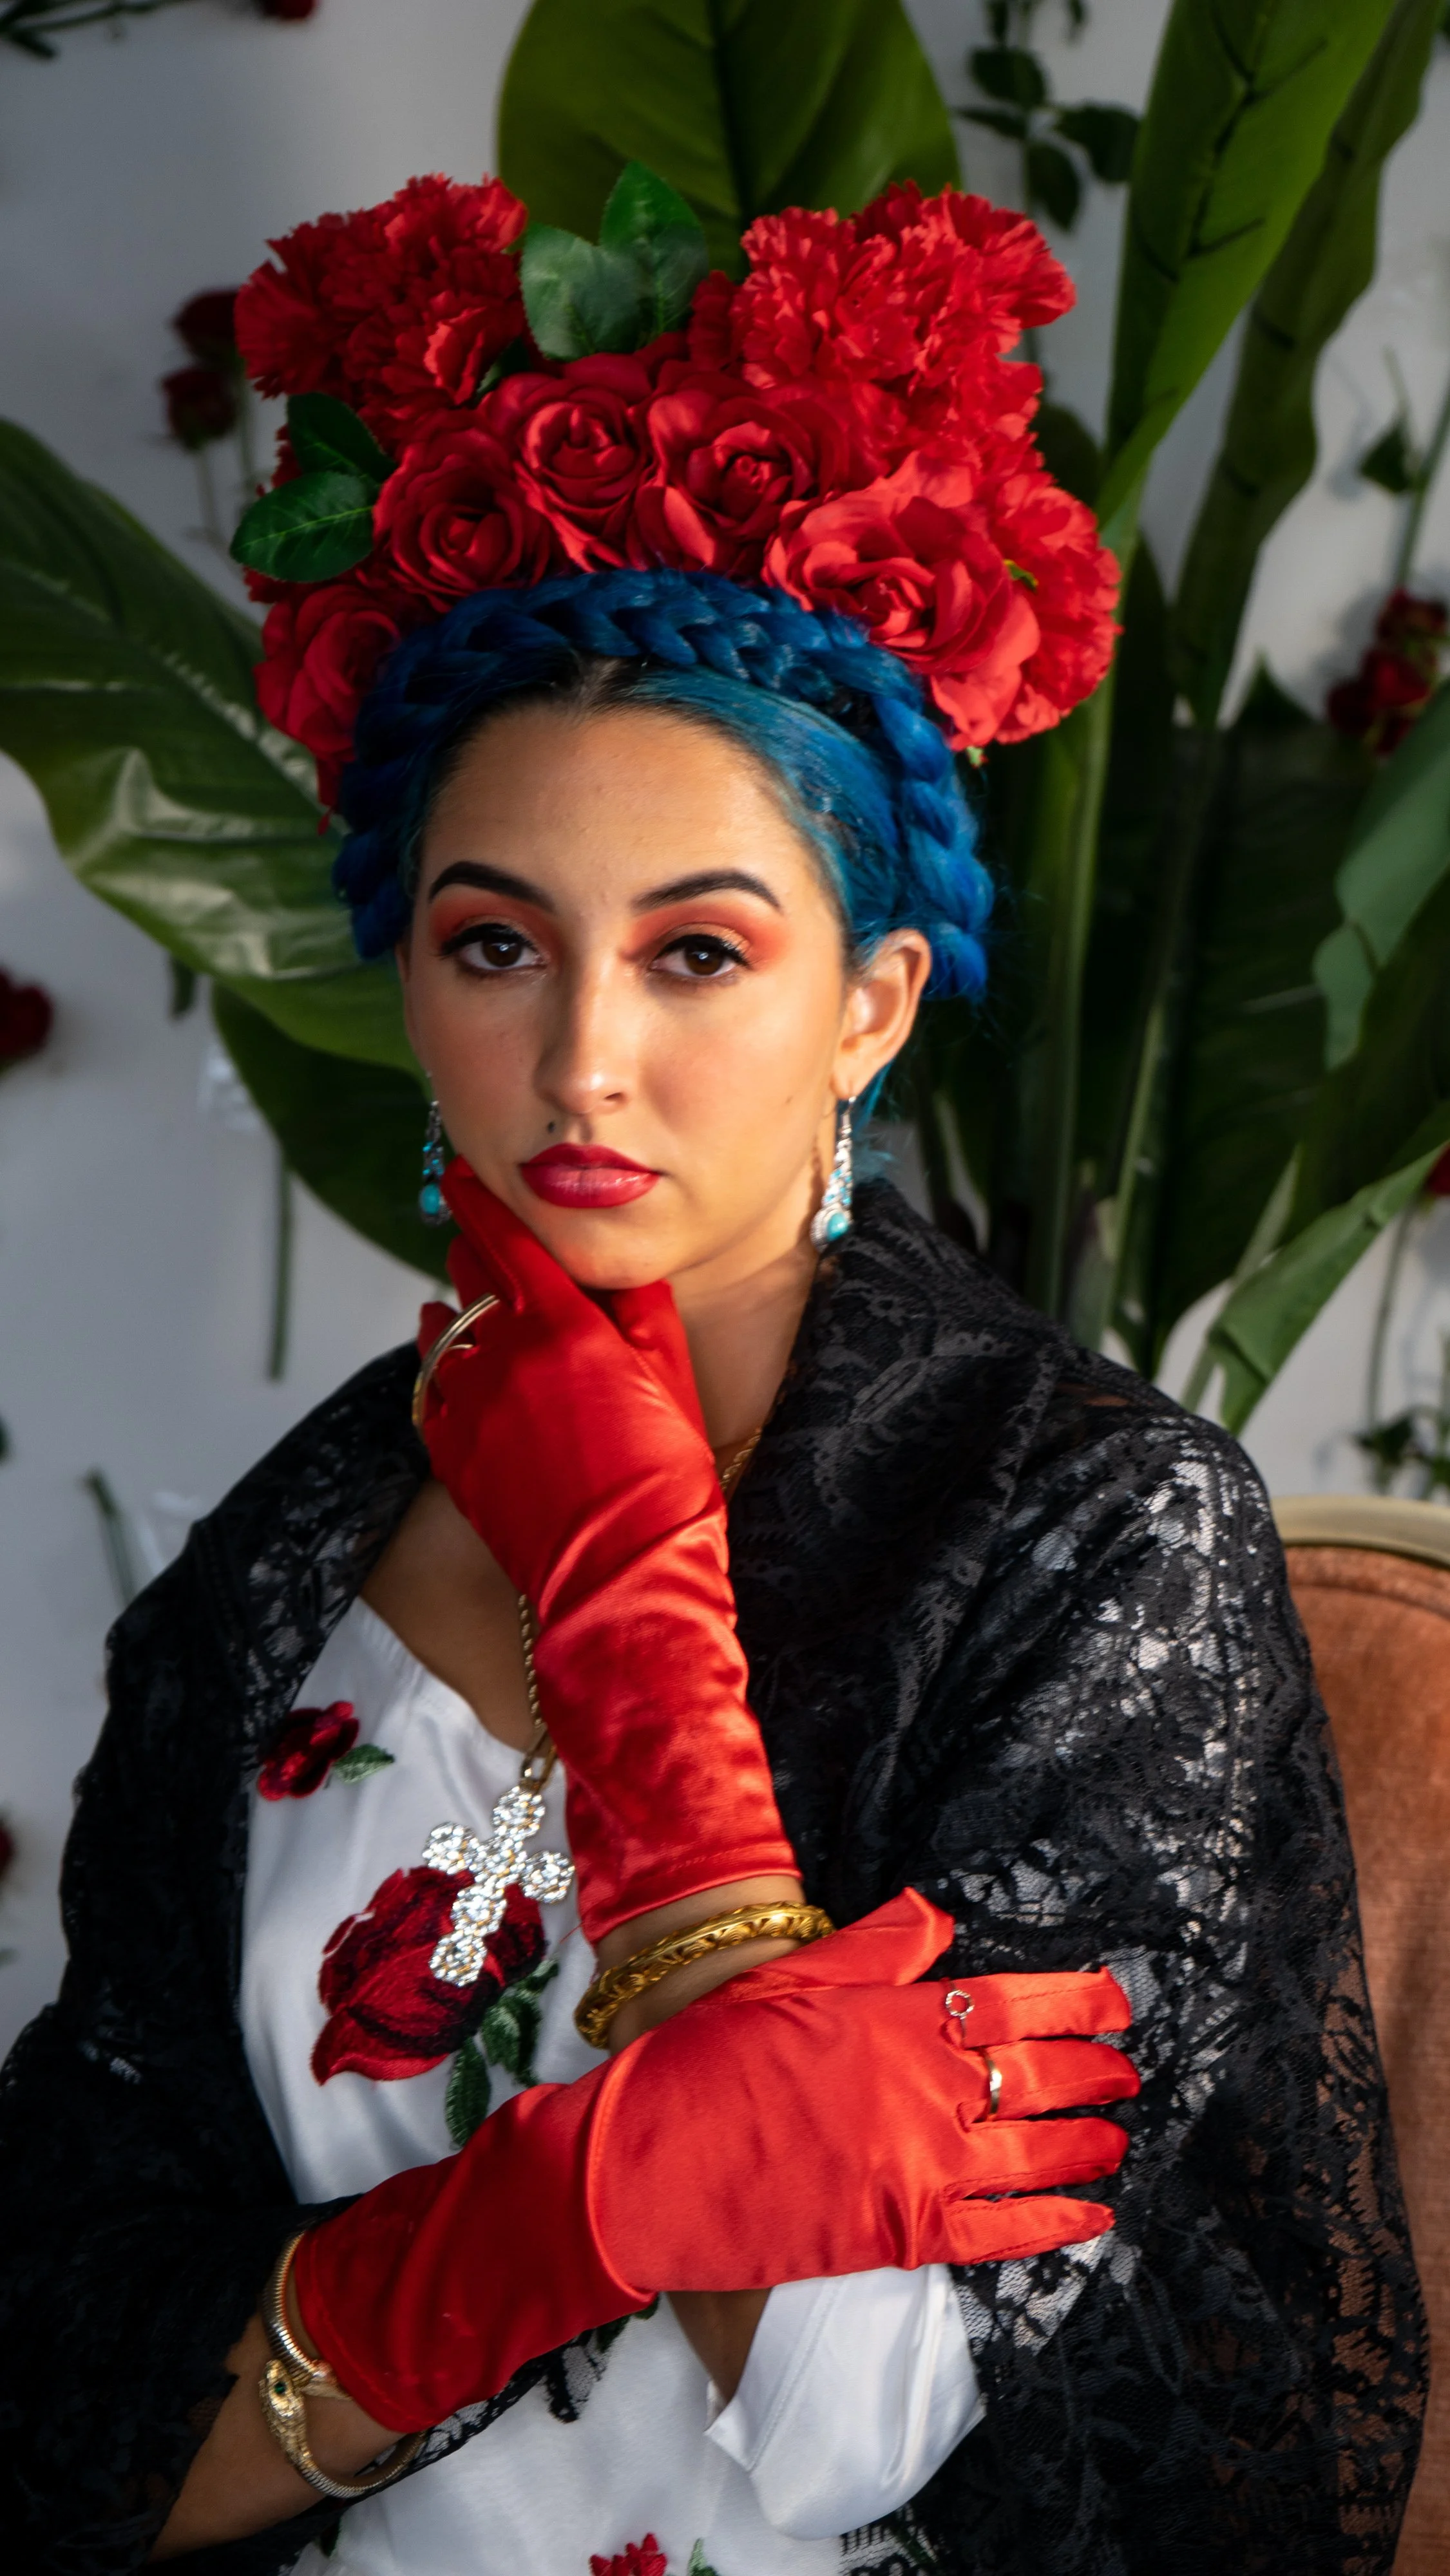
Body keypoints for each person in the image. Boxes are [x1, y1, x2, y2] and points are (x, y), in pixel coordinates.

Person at [0, 171, 1426, 2576]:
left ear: (868, 1002)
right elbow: (65, 2413)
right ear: (408, 977)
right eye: (496, 944)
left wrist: (637, 1608)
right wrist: (538, 2226)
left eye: (697, 954)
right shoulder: (275, 1573)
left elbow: (863, 2418)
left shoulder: (1094, 1535)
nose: (582, 1058)